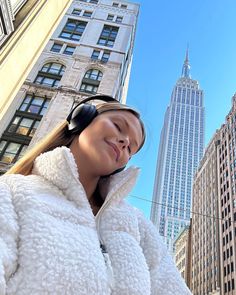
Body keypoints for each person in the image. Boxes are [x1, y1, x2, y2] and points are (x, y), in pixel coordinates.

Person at [0, 95, 191, 294]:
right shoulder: (13, 192)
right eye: (118, 126)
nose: (125, 142)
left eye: (131, 148)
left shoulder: (138, 224)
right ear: (81, 120)